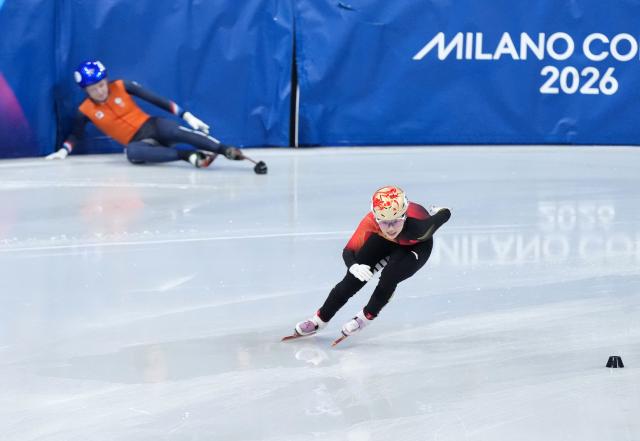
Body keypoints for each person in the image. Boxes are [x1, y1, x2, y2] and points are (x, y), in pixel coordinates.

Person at [290, 186, 451, 341]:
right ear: (375, 217)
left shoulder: (421, 228)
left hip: (416, 246)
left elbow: (446, 213)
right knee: (352, 280)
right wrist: (354, 266)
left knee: (389, 276)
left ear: (404, 216)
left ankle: (365, 317)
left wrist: (439, 211)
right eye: (383, 221)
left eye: (395, 221)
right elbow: (349, 251)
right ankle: (319, 320)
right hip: (382, 241)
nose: (390, 228)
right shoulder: (371, 222)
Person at [46, 60, 267, 173]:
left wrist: (186, 115)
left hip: (152, 126)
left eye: (102, 85)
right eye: (94, 89)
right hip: (138, 142)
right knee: (132, 153)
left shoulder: (122, 86)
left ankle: (225, 149)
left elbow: (156, 99)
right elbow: (76, 134)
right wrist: (64, 150)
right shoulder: (85, 109)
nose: (101, 91)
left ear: (107, 80)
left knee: (171, 129)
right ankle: (188, 157)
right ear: (86, 91)